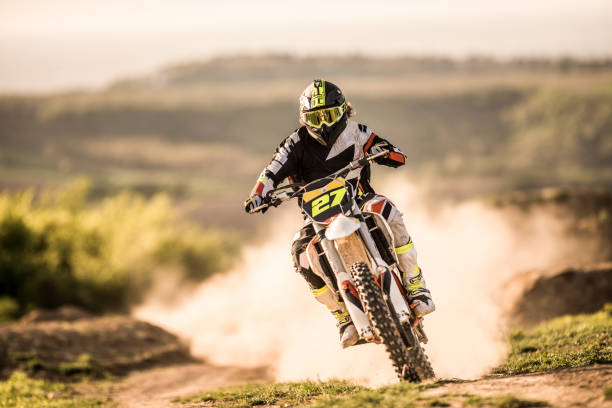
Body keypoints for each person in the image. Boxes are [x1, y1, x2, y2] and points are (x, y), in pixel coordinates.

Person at [244, 79, 435, 348]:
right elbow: (270, 172)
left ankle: (415, 284)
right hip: (318, 216)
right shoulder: (293, 144)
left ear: (344, 111)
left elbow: (393, 153)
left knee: (388, 211)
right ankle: (342, 316)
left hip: (359, 201)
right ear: (303, 118)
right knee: (301, 254)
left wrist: (387, 152)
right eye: (315, 117)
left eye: (329, 115)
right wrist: (257, 194)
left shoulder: (357, 132)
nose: (323, 124)